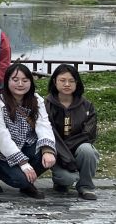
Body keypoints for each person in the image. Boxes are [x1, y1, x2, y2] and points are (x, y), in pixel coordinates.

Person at [0, 63, 57, 198]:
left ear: (30, 82)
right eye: (15, 80)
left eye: (25, 80)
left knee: (50, 154)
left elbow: (43, 124)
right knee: (19, 180)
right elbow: (1, 135)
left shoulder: (36, 99)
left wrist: (47, 150)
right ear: (7, 81)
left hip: (27, 145)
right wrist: (23, 163)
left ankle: (28, 183)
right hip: (2, 153)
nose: (20, 84)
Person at [45, 64, 99, 200]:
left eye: (71, 81)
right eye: (62, 80)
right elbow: (48, 133)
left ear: (77, 83)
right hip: (56, 152)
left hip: (79, 149)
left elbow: (88, 134)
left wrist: (69, 150)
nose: (67, 84)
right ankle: (61, 182)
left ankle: (86, 186)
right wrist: (64, 154)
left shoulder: (87, 106)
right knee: (66, 178)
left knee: (87, 150)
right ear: (55, 81)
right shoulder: (46, 105)